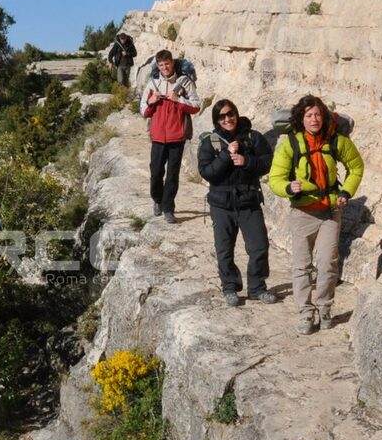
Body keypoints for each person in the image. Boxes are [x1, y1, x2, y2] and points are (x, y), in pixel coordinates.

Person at [269, 94, 364, 334]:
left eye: (318, 114)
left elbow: (356, 167)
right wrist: (289, 187)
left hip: (330, 211)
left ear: (325, 117)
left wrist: (346, 192)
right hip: (302, 212)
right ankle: (306, 312)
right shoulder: (291, 143)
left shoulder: (336, 141)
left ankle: (324, 307)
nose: (314, 119)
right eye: (309, 115)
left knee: (327, 263)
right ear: (301, 119)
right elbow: (275, 179)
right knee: (302, 266)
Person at [196, 99, 278, 306]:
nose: (227, 119)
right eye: (222, 116)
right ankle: (230, 288)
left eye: (230, 114)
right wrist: (226, 154)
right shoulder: (211, 141)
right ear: (216, 120)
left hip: (248, 201)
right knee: (224, 249)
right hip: (221, 204)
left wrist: (247, 161)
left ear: (236, 113)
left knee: (259, 246)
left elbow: (269, 163)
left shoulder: (253, 137)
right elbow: (207, 173)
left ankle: (257, 287)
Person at [141, 49, 200, 224]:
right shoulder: (153, 83)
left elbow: (196, 105)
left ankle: (168, 208)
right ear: (157, 66)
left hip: (177, 136)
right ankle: (157, 199)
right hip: (158, 136)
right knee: (156, 172)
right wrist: (151, 102)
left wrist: (179, 100)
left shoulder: (185, 82)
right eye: (161, 65)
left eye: (167, 63)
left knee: (173, 174)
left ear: (172, 63)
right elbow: (143, 110)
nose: (165, 67)